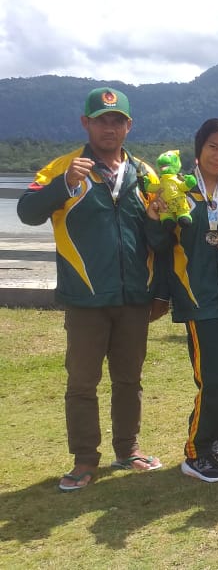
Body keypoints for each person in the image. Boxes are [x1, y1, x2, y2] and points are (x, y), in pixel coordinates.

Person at [17, 87, 168, 491]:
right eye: (101, 120)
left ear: (129, 126)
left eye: (117, 120)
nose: (109, 128)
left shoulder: (146, 175)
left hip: (133, 298)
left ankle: (128, 449)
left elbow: (160, 238)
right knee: (82, 382)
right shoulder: (62, 169)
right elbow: (27, 212)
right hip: (85, 297)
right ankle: (84, 460)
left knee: (129, 379)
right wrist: (64, 184)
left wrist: (160, 291)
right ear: (86, 123)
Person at [163, 119, 218, 482]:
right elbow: (158, 240)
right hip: (199, 296)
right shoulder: (179, 190)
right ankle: (196, 452)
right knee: (216, 376)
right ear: (199, 146)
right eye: (213, 146)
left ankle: (217, 438)